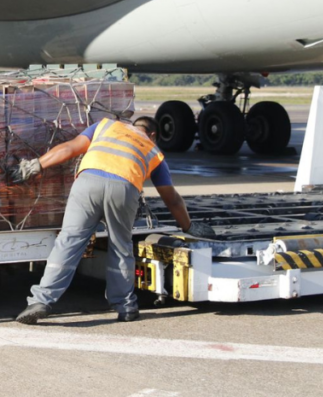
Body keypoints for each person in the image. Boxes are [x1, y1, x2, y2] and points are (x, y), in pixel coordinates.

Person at [12, 116, 213, 325]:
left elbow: (70, 148)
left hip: (88, 184)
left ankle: (41, 301)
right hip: (124, 189)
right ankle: (125, 307)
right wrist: (188, 226)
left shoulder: (106, 126)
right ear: (153, 135)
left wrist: (35, 166)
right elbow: (172, 199)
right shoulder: (154, 151)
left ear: (132, 125)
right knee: (120, 246)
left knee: (69, 242)